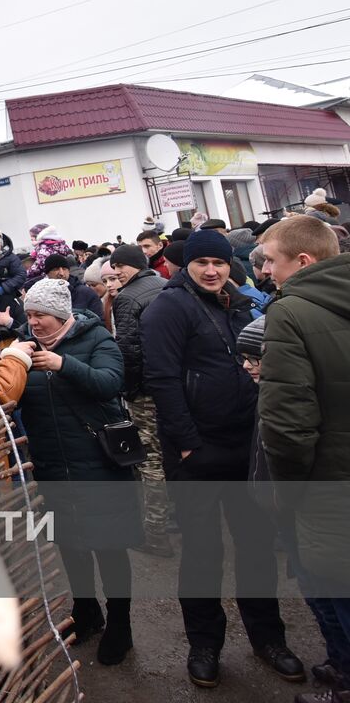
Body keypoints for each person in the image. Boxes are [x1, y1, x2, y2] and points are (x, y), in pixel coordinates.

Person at [140, 228, 304, 688]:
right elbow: (162, 379)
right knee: (202, 552)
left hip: (245, 444)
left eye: (220, 262)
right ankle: (204, 645)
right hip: (196, 453)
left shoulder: (243, 303)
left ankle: (268, 638)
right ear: (185, 266)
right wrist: (189, 443)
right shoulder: (168, 308)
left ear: (231, 264)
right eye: (202, 264)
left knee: (255, 547)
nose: (212, 271)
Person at [16, 279, 141, 666]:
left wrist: (63, 364)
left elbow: (109, 384)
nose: (33, 323)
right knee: (70, 546)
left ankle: (120, 622)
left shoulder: (96, 339)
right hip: (52, 465)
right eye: (30, 315)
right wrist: (9, 363)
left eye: (41, 316)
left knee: (109, 547)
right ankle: (86, 610)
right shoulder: (25, 346)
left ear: (61, 315)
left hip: (98, 464)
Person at [256, 215, 350, 703]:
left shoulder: (291, 312)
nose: (265, 270)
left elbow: (289, 426)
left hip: (325, 485)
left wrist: (286, 491)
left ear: (304, 261)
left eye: (271, 260)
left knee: (336, 586)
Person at [107, 243, 172, 557]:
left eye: (119, 267)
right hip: (171, 384)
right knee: (171, 450)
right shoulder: (163, 284)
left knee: (149, 459)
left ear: (133, 265)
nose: (116, 273)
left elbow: (129, 350)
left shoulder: (129, 297)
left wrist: (128, 389)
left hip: (145, 389)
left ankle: (156, 533)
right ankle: (177, 519)